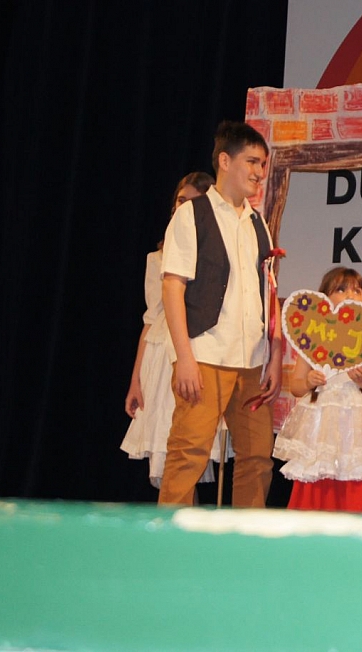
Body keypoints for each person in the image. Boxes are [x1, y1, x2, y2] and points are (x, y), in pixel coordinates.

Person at [158, 121, 282, 508]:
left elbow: (269, 292)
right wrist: (184, 358)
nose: (259, 172)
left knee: (257, 458)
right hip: (206, 354)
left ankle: (244, 538)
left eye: (263, 164)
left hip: (252, 360)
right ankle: (170, 535)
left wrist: (275, 356)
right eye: (252, 161)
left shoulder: (257, 222)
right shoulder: (191, 215)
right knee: (189, 453)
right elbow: (173, 287)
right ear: (225, 161)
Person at [122, 172, 233, 490]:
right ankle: (174, 515)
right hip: (162, 358)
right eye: (180, 201)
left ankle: (183, 517)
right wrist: (136, 380)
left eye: (193, 203)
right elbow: (150, 321)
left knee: (191, 448)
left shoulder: (216, 258)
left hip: (199, 352)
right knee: (168, 453)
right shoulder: (157, 258)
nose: (184, 208)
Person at [273, 267, 362, 513]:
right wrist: (309, 381)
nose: (350, 295)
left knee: (355, 478)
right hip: (320, 424)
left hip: (356, 426)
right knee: (317, 478)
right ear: (325, 298)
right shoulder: (312, 339)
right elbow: (296, 386)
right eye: (341, 289)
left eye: (357, 290)